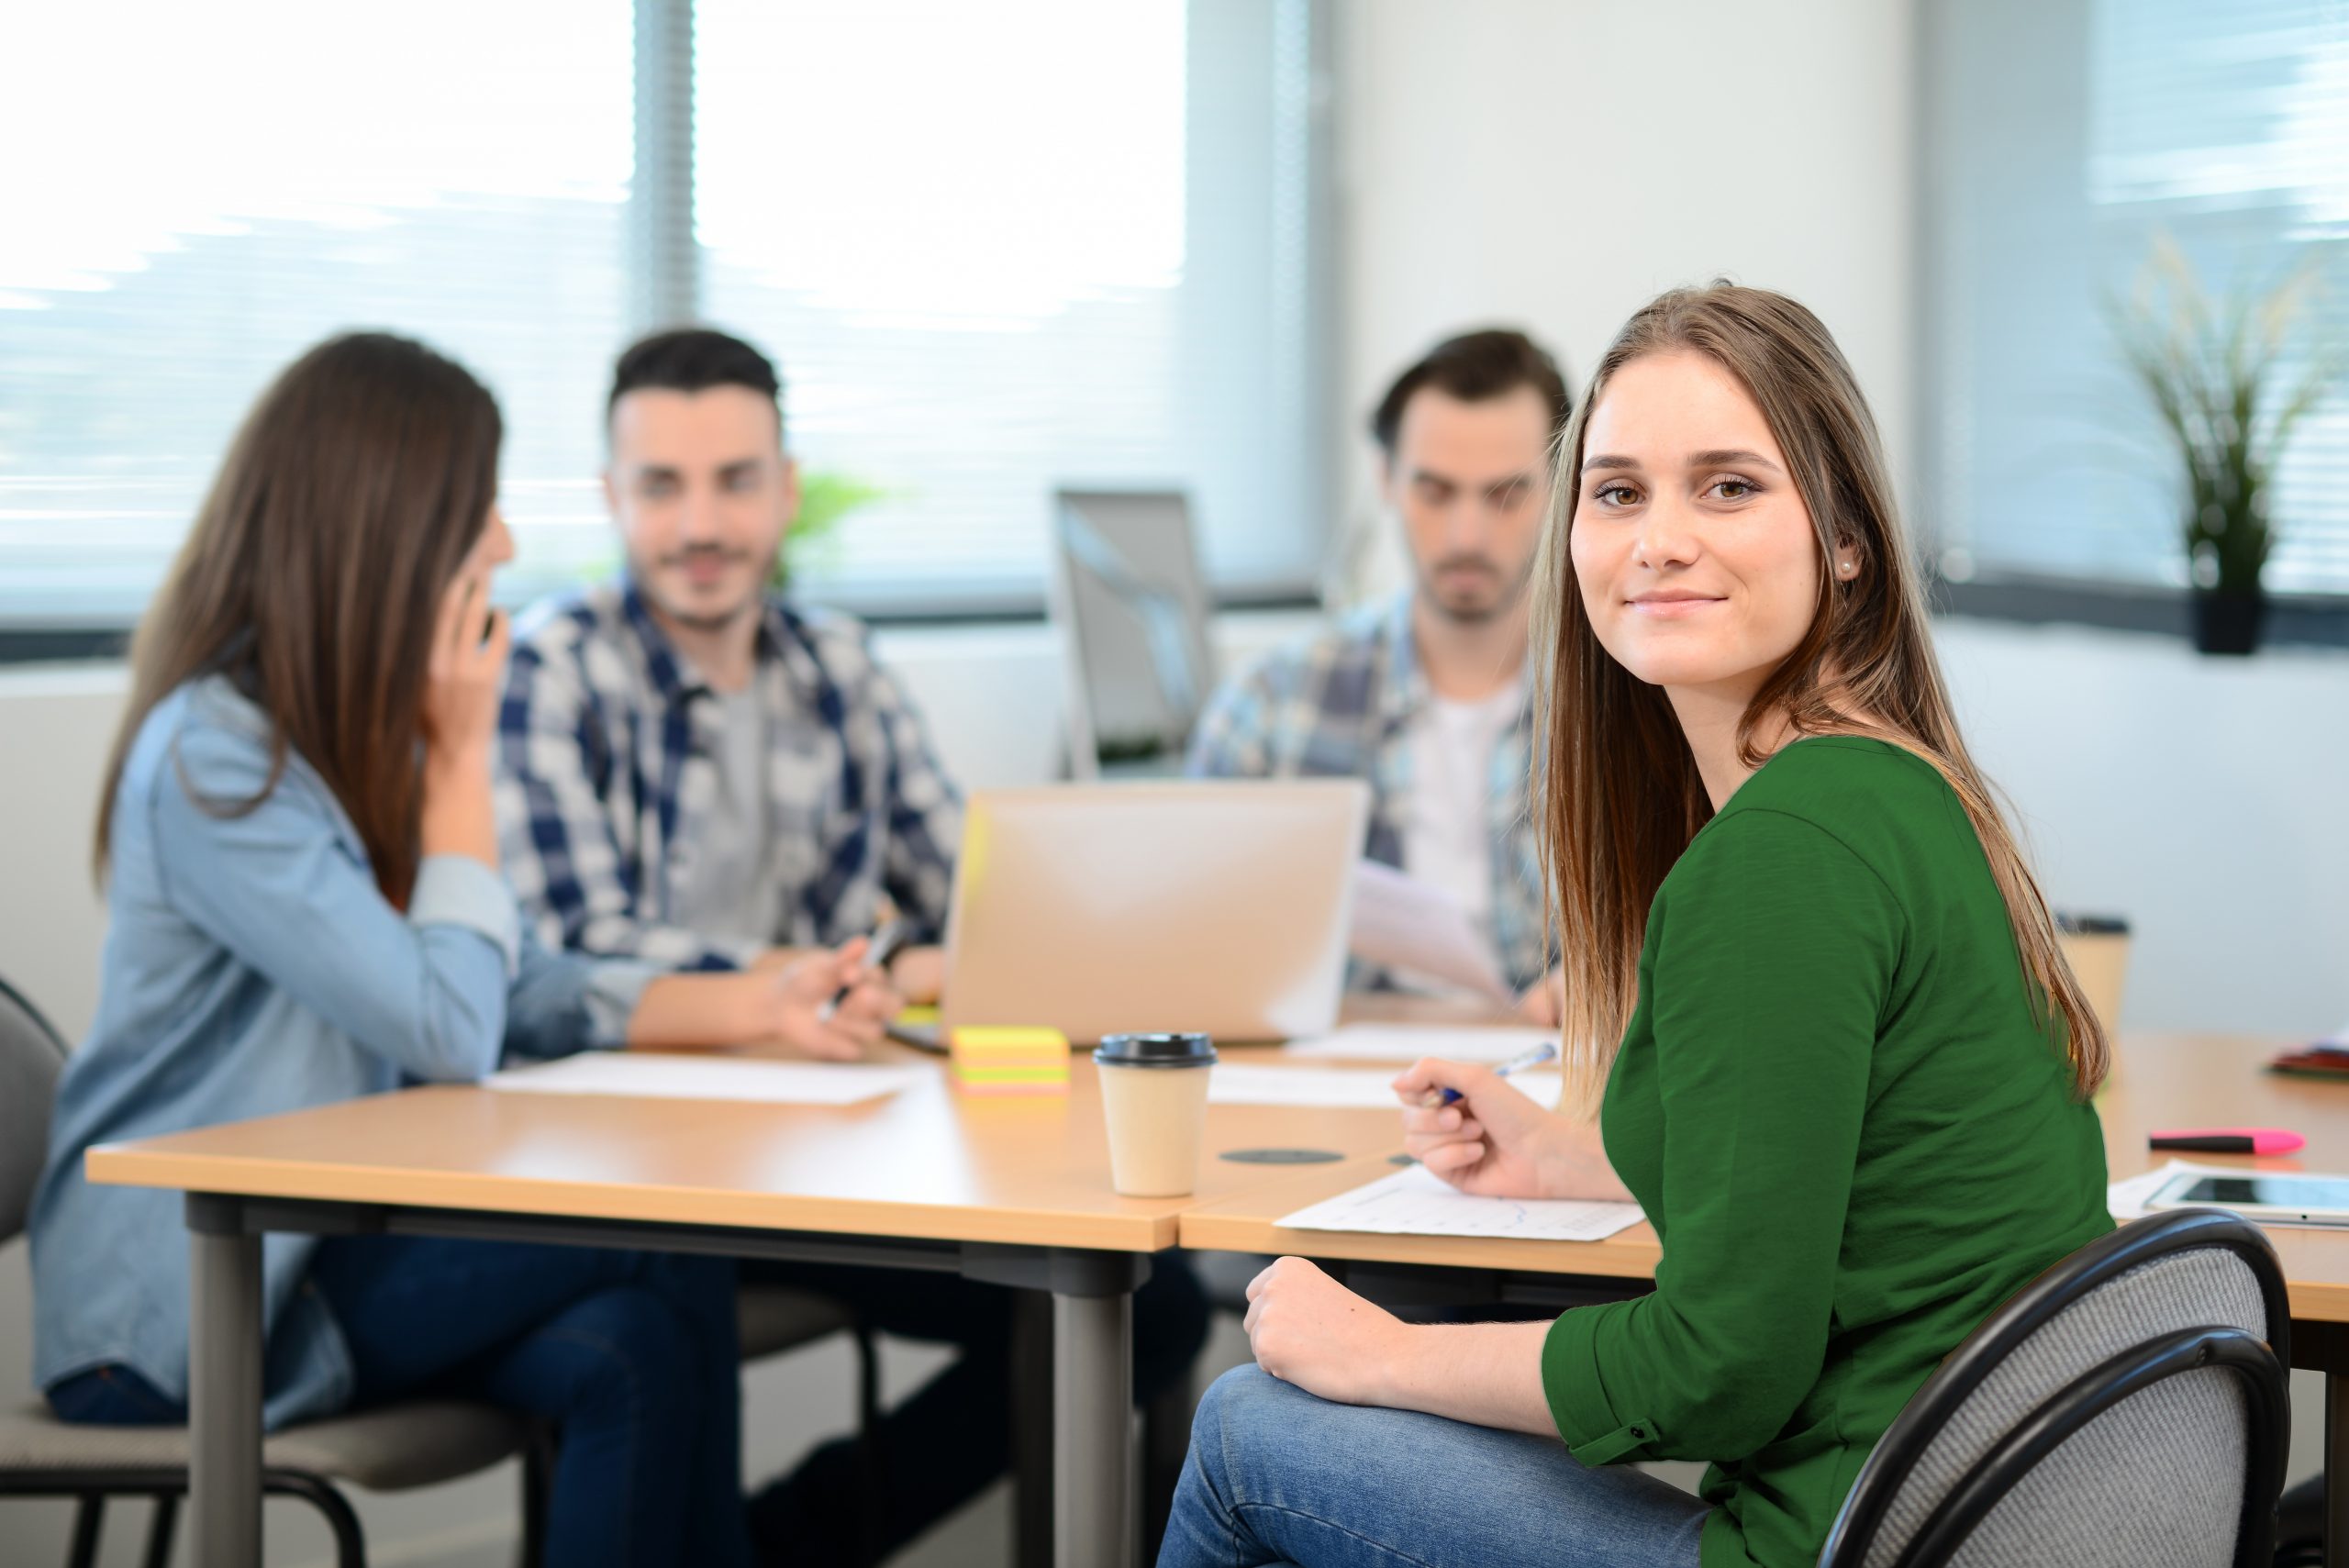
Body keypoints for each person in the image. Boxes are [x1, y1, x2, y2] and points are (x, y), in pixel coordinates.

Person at [1157, 284, 2114, 1568]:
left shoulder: (1776, 859)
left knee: (1245, 1428)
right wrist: (1574, 1164)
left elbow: (1721, 1369)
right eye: (1617, 494)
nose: (1660, 539)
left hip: (1837, 1544)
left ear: (1845, 540)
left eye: (1726, 486)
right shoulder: (1893, 788)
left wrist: (1384, 1354)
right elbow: (1830, 1159)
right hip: (1977, 1521)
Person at [28, 333, 899, 1568]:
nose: (500, 547)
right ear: (383, 527)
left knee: (637, 1348)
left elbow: (519, 983)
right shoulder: (213, 760)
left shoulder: (349, 725)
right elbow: (448, 1023)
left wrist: (761, 1004)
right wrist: (462, 761)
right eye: (474, 509)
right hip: (188, 1313)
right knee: (665, 1221)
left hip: (333, 1254)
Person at [496, 326, 1209, 1563]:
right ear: (614, 498)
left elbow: (968, 908)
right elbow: (572, 951)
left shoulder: (840, 665)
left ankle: (794, 1542)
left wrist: (913, 964)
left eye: (733, 480)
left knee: (1145, 1307)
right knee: (666, 1300)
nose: (700, 523)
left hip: (836, 1146)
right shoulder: (554, 668)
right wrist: (798, 980)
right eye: (661, 486)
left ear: (784, 487)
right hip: (640, 1164)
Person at [1186, 328, 1571, 1018]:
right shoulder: (1272, 703)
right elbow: (1189, 940)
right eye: (1435, 491)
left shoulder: (1637, 704)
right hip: (1339, 1081)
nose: (1467, 537)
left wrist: (1619, 986)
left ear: (1564, 485)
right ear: (1386, 480)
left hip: (1556, 1079)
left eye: (1505, 494)